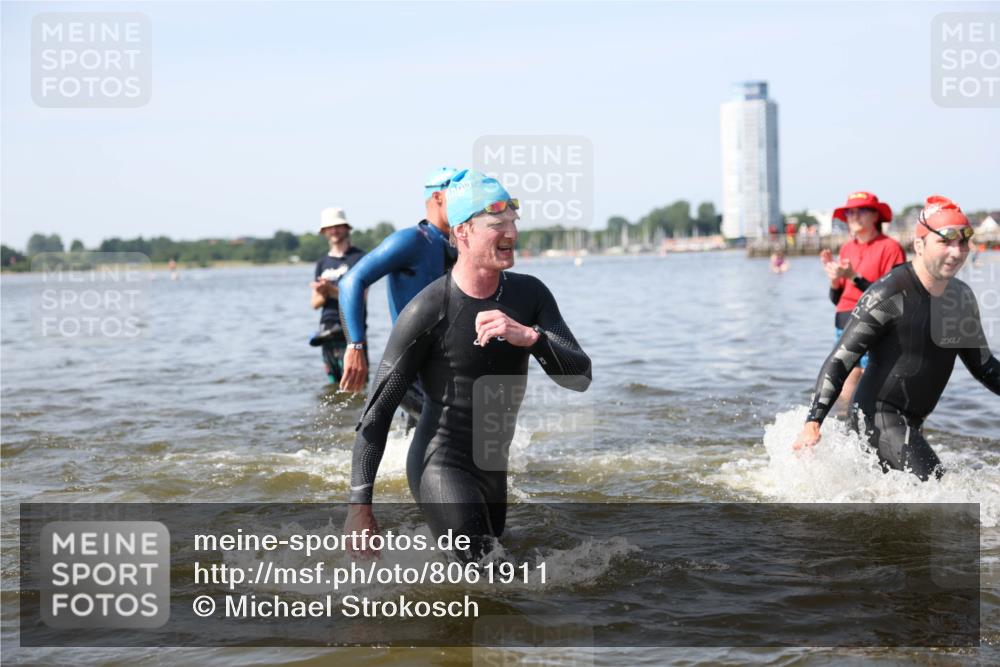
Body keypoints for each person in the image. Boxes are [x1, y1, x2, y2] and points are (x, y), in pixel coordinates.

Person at [343, 170, 592, 561]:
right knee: (491, 572)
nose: (511, 232)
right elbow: (377, 413)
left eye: (514, 220)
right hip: (440, 465)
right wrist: (360, 508)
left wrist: (531, 338)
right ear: (463, 232)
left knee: (491, 585)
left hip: (494, 468)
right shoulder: (427, 309)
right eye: (497, 224)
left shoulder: (531, 295)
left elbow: (580, 378)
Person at [795, 196, 1000, 480]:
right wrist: (813, 422)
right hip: (877, 417)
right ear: (920, 244)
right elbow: (842, 359)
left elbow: (984, 366)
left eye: (963, 242)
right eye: (945, 242)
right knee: (940, 493)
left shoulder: (960, 299)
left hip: (911, 423)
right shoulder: (891, 296)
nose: (956, 252)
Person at [338, 167, 460, 403]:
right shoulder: (412, 240)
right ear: (438, 197)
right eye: (459, 194)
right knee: (448, 434)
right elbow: (351, 281)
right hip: (411, 366)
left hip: (445, 364)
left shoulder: (457, 243)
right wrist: (355, 346)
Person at [819, 191, 905, 411]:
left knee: (871, 384)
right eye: (850, 212)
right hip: (844, 323)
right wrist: (835, 280)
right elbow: (836, 298)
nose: (854, 217)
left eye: (861, 211)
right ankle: (845, 434)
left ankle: (872, 433)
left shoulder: (890, 248)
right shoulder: (847, 247)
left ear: (875, 216)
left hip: (874, 324)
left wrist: (854, 278)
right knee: (844, 383)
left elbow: (893, 299)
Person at [310, 207, 366, 385]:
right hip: (326, 331)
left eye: (338, 226)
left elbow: (361, 298)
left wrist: (330, 290)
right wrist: (323, 291)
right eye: (330, 227)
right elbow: (315, 303)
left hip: (351, 331)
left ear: (346, 228)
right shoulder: (322, 263)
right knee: (333, 385)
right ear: (324, 231)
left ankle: (355, 414)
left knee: (357, 383)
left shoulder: (358, 258)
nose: (334, 231)